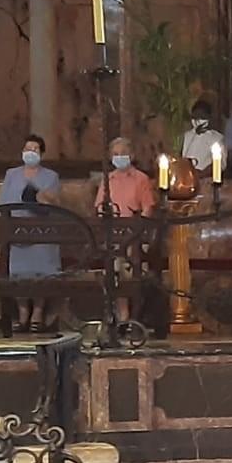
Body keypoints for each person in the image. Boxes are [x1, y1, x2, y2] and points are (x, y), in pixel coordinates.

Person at [0, 133, 61, 332]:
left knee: (41, 271)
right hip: (16, 229)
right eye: (27, 149)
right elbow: (3, 202)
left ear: (41, 153)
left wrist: (40, 197)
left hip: (41, 231)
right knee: (19, 273)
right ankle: (23, 311)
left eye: (34, 149)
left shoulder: (50, 176)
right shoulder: (12, 174)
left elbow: (53, 204)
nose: (30, 153)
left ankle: (38, 312)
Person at [96, 136, 159, 324]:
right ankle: (121, 314)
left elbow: (148, 208)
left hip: (134, 236)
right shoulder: (108, 179)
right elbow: (100, 206)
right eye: (115, 154)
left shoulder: (141, 179)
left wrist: (139, 233)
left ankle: (132, 316)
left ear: (131, 155)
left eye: (123, 153)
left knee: (129, 270)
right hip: (113, 234)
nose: (119, 157)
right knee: (114, 268)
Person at [181, 100, 224, 172]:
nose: (197, 121)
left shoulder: (217, 138)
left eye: (201, 117)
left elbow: (220, 164)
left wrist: (202, 173)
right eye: (194, 117)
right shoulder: (187, 136)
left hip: (205, 178)